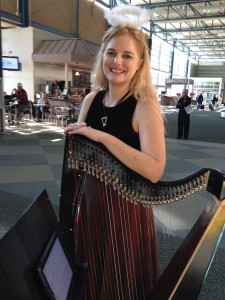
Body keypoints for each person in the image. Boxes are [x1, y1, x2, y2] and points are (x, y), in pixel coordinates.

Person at [64, 6, 166, 299]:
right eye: (111, 52)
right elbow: (81, 158)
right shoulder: (92, 99)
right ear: (103, 56)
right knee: (92, 273)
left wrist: (101, 137)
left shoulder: (144, 106)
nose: (117, 61)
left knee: (123, 279)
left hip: (127, 211)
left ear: (140, 63)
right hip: (92, 201)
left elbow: (154, 169)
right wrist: (75, 139)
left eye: (127, 55)